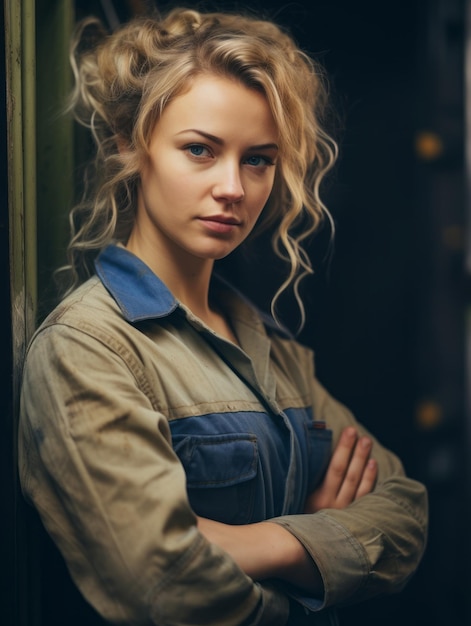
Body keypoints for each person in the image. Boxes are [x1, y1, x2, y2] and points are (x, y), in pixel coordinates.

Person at [18, 6, 428, 626]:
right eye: (200, 150)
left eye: (258, 159)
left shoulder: (269, 345)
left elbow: (405, 513)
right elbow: (169, 589)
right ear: (131, 145)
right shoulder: (89, 347)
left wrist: (260, 542)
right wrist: (320, 553)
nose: (233, 187)